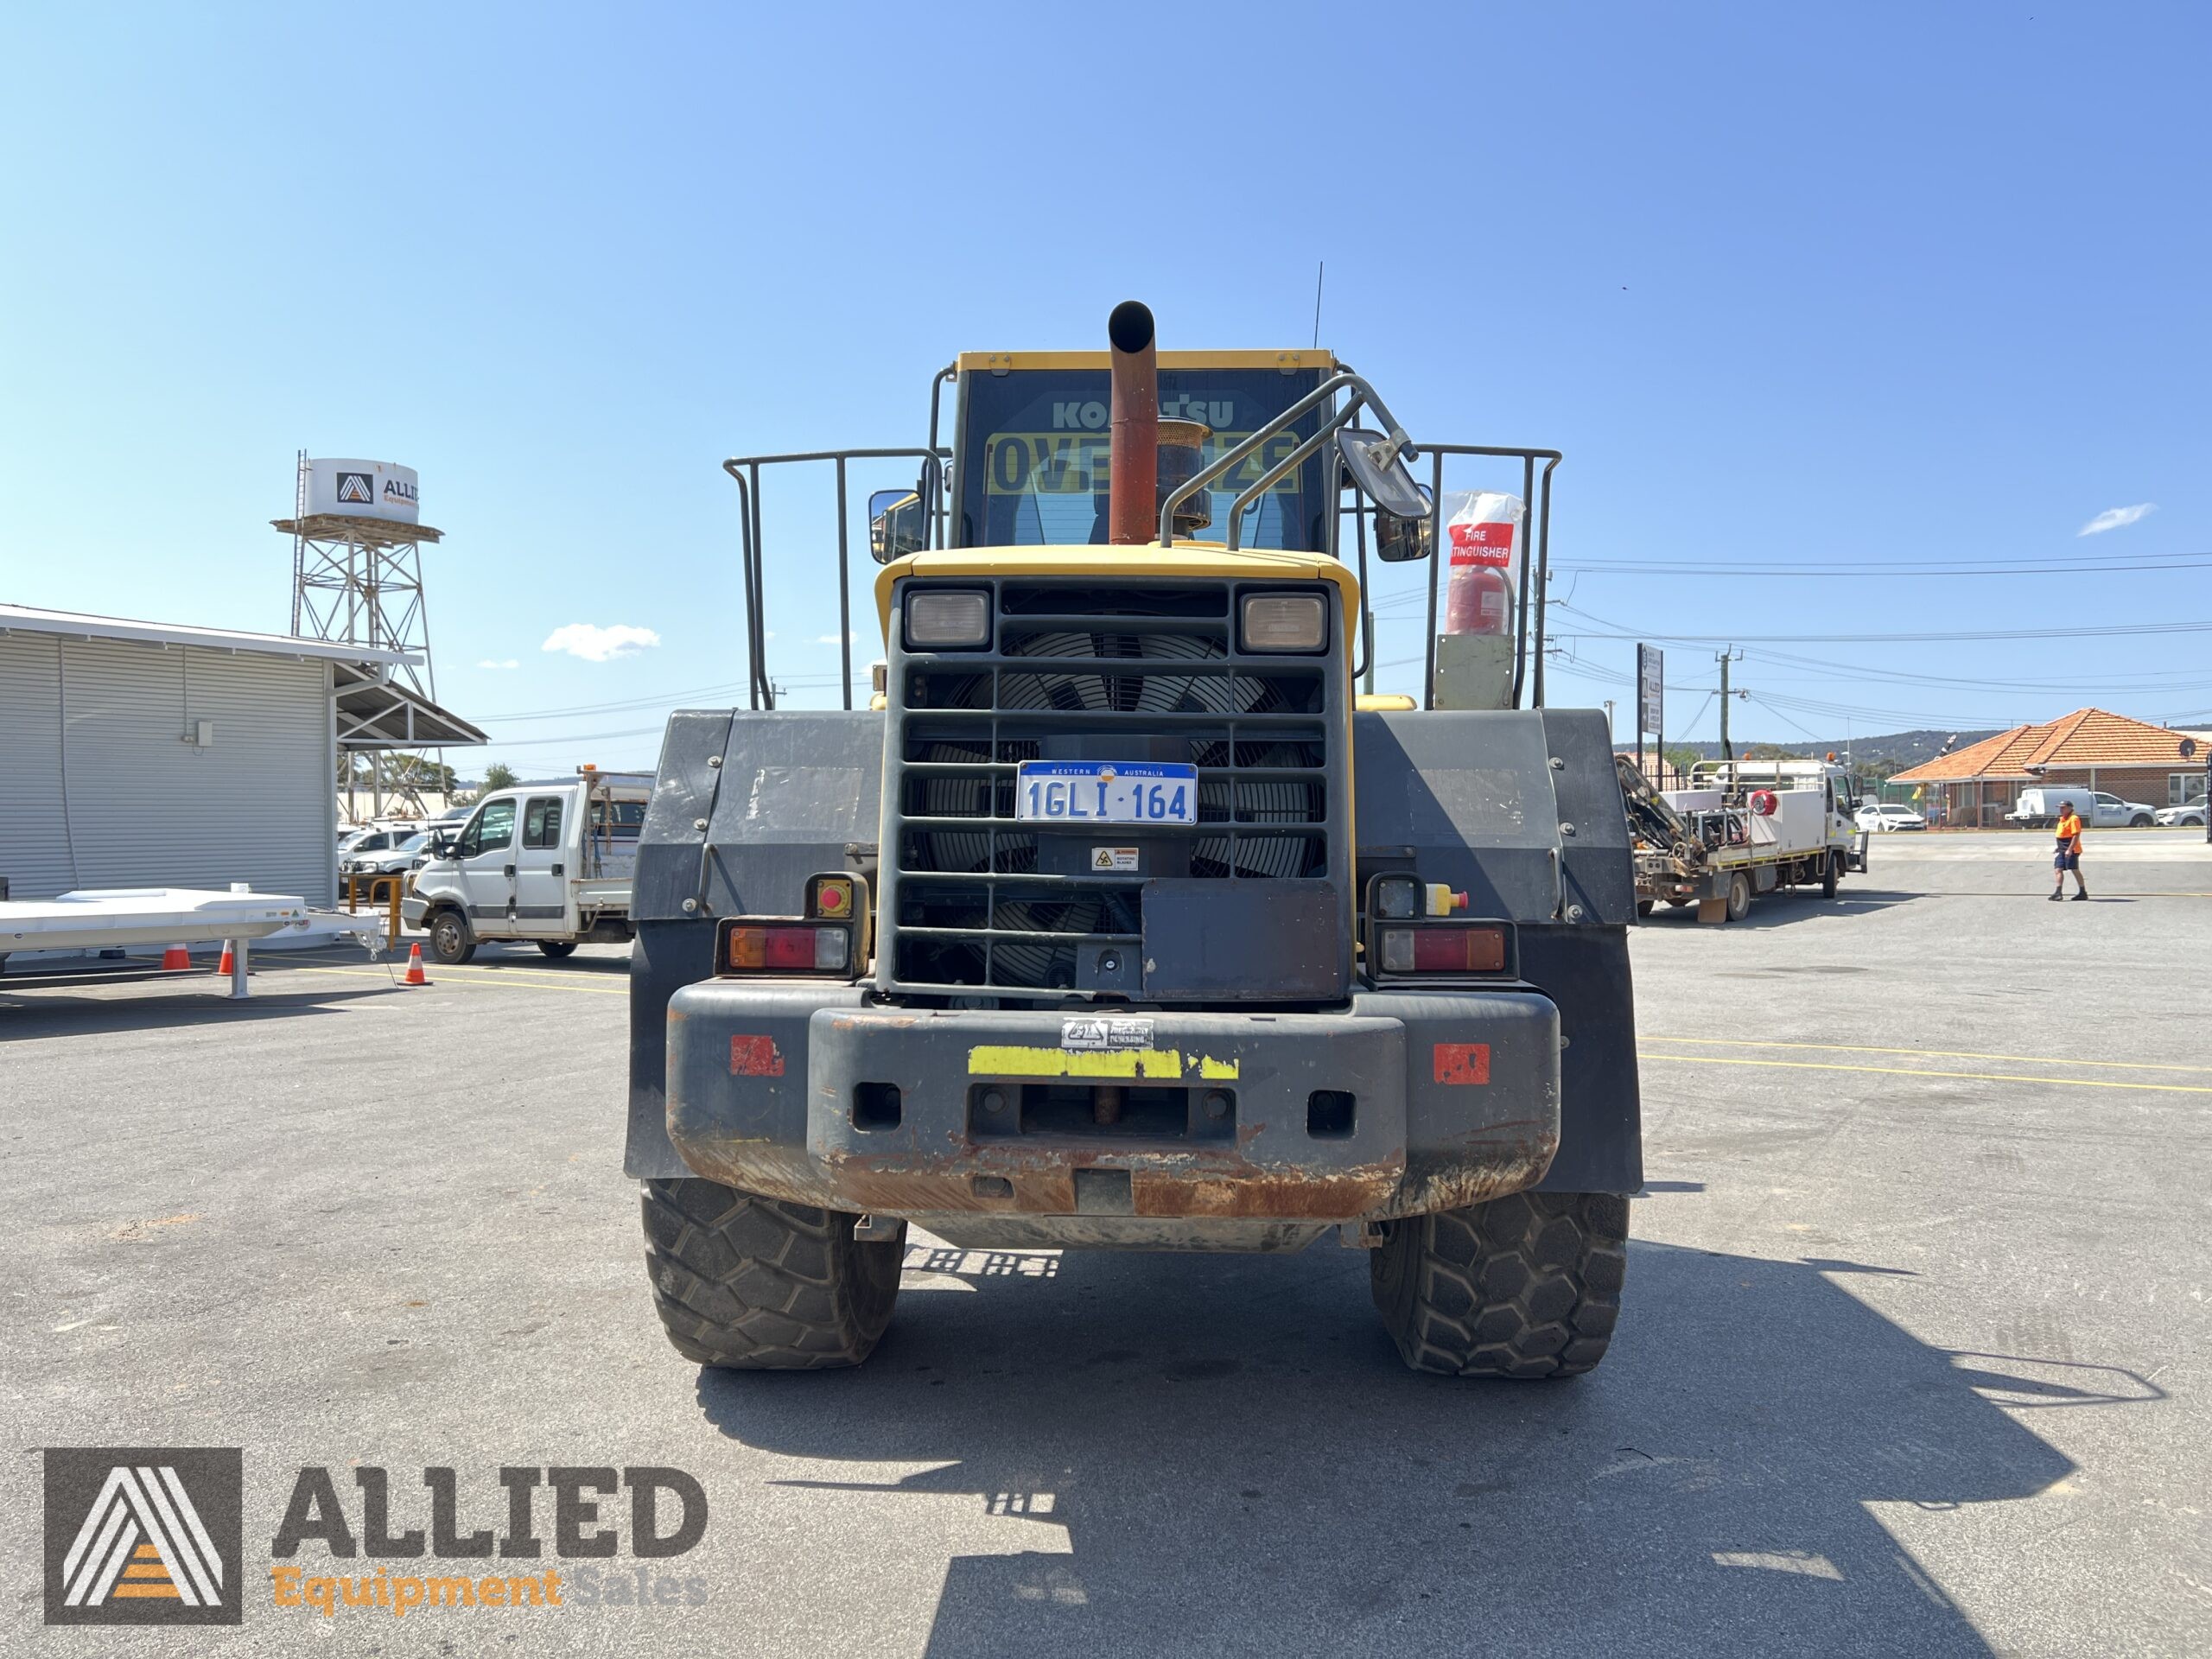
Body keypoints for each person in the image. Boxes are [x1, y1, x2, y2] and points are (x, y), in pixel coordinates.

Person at [2049, 801, 2087, 901]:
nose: (2061, 809)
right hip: (2062, 849)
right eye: (2060, 808)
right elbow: (2063, 835)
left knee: (2074, 869)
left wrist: (2070, 849)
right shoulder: (2062, 819)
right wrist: (2059, 847)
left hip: (2072, 849)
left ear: (2070, 808)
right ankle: (2058, 892)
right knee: (2058, 869)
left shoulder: (2074, 819)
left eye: (2063, 807)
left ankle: (2083, 892)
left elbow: (2075, 835)